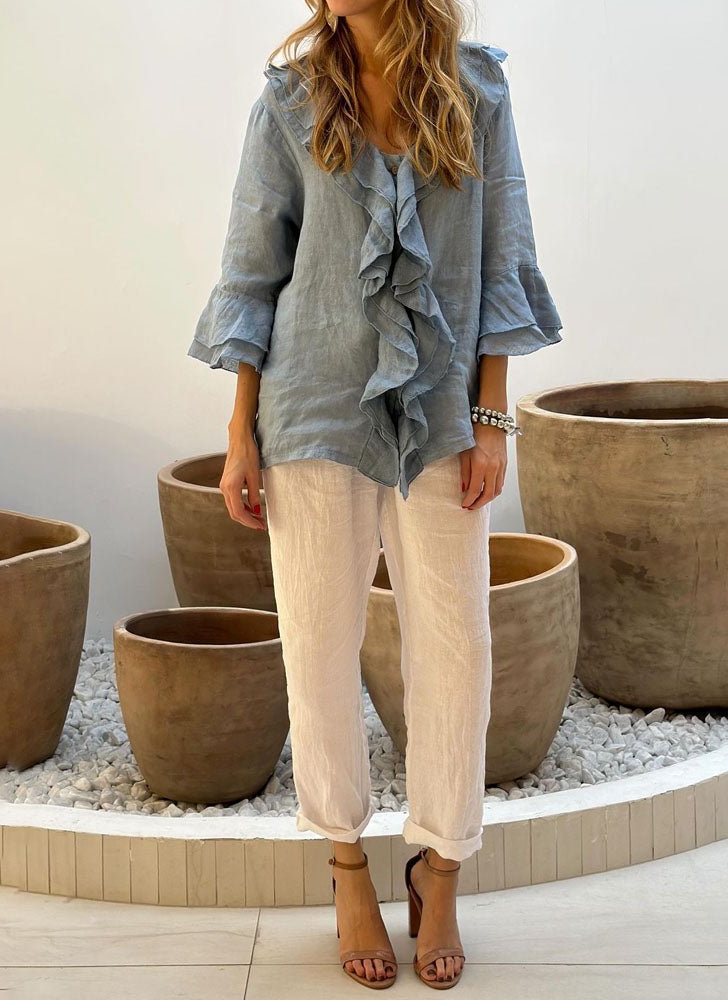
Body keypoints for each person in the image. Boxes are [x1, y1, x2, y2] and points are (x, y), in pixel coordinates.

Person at [187, 0, 562, 989]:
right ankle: (347, 866)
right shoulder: (289, 100)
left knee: (456, 651)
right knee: (317, 648)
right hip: (310, 409)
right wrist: (240, 429)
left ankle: (440, 869)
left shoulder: (476, 91)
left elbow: (503, 251)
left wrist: (492, 414)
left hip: (441, 414)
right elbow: (252, 268)